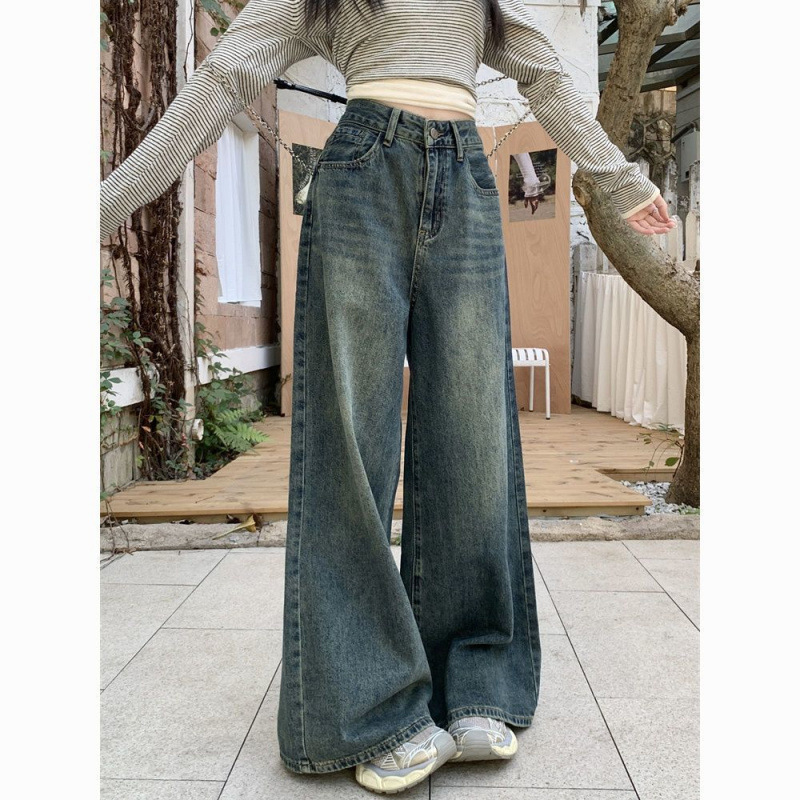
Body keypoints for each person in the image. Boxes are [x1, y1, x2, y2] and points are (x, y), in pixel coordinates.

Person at [99, 0, 675, 794]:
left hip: (465, 175)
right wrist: (102, 205)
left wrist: (616, 176)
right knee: (350, 443)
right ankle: (368, 708)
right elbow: (225, 75)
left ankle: (472, 679)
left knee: (473, 439)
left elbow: (545, 73)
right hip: (361, 173)